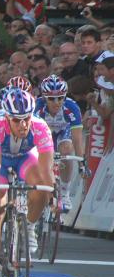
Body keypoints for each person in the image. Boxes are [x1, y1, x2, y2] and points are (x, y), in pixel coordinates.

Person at [0, 89, 54, 277]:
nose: (22, 125)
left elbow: (47, 167)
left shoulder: (40, 127)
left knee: (42, 189)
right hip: (0, 162)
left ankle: (29, 227)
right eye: (16, 120)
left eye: (26, 119)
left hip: (25, 158)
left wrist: (53, 193)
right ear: (6, 117)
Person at [35, 75, 84, 211]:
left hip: (63, 132)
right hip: (45, 133)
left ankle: (65, 192)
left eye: (60, 98)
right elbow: (31, 135)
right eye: (51, 99)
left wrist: (81, 162)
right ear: (44, 98)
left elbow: (77, 139)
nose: (56, 102)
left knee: (67, 149)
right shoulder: (37, 107)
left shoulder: (72, 107)